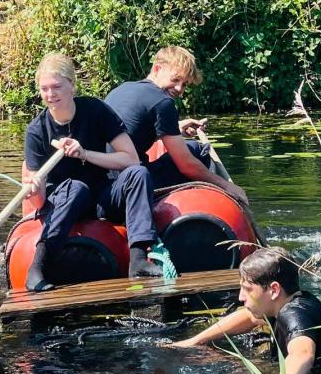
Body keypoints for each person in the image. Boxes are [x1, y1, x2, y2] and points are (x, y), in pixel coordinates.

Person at [22, 53, 162, 292]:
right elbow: (39, 201)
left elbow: (130, 158)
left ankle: (138, 258)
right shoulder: (37, 131)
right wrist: (34, 188)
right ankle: (38, 267)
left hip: (101, 194)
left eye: (56, 87)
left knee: (138, 173)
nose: (50, 94)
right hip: (65, 201)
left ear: (72, 86)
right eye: (44, 89)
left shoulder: (95, 110)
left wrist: (85, 153)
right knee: (76, 188)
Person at [105, 46, 249, 204]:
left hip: (107, 183)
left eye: (185, 84)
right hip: (135, 182)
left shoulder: (123, 89)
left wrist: (176, 129)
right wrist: (227, 186)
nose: (179, 89)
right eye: (175, 79)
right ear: (157, 69)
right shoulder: (163, 102)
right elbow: (186, 166)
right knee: (196, 150)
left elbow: (129, 134)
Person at [171, 247, 321, 373]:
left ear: (273, 290)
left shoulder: (294, 313)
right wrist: (194, 341)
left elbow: (302, 354)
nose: (241, 297)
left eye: (248, 289)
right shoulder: (289, 302)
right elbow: (249, 316)